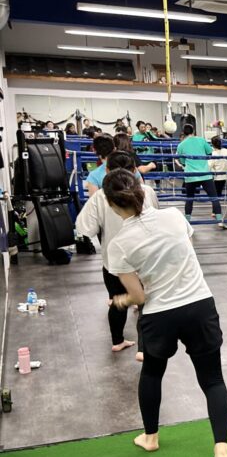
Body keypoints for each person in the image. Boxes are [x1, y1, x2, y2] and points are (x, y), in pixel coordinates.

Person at [104, 168, 227, 457]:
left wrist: (120, 300)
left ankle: (150, 437)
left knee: (152, 372)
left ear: (112, 204)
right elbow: (187, 254)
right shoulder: (174, 216)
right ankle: (221, 449)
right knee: (213, 379)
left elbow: (138, 297)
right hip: (199, 304)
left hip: (159, 314)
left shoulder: (118, 245)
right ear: (141, 190)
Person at [75, 152, 158, 356]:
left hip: (113, 261)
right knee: (145, 303)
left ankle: (118, 341)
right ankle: (143, 349)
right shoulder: (146, 191)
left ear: (107, 170)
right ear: (134, 171)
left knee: (117, 300)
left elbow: (85, 229)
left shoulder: (101, 196)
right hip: (144, 259)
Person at [176, 124, 227, 230]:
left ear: (183, 132)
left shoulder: (181, 145)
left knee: (189, 199)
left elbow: (182, 161)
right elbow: (210, 153)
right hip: (205, 173)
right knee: (214, 198)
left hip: (190, 175)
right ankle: (219, 222)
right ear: (194, 130)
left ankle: (187, 223)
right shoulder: (202, 140)